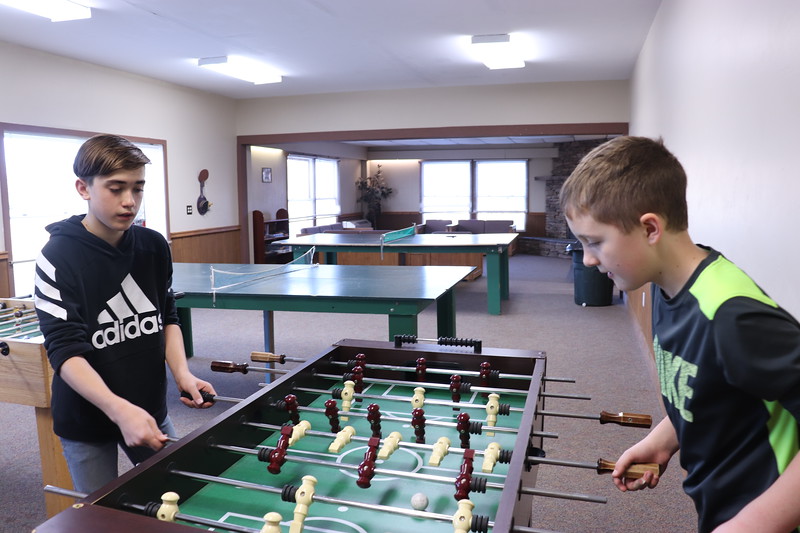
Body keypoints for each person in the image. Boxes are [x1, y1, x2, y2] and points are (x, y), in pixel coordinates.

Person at [559, 136, 800, 533]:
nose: (587, 259)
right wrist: (663, 439)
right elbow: (708, 387)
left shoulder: (732, 317)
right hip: (719, 503)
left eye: (595, 242)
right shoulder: (664, 286)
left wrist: (753, 523)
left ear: (650, 228)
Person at [33, 134, 216, 494]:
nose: (129, 201)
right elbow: (65, 351)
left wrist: (182, 374)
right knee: (104, 515)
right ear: (83, 188)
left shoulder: (153, 246)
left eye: (138, 188)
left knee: (179, 497)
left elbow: (166, 318)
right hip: (86, 418)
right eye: (116, 189)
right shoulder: (57, 256)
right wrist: (119, 410)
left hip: (148, 408)